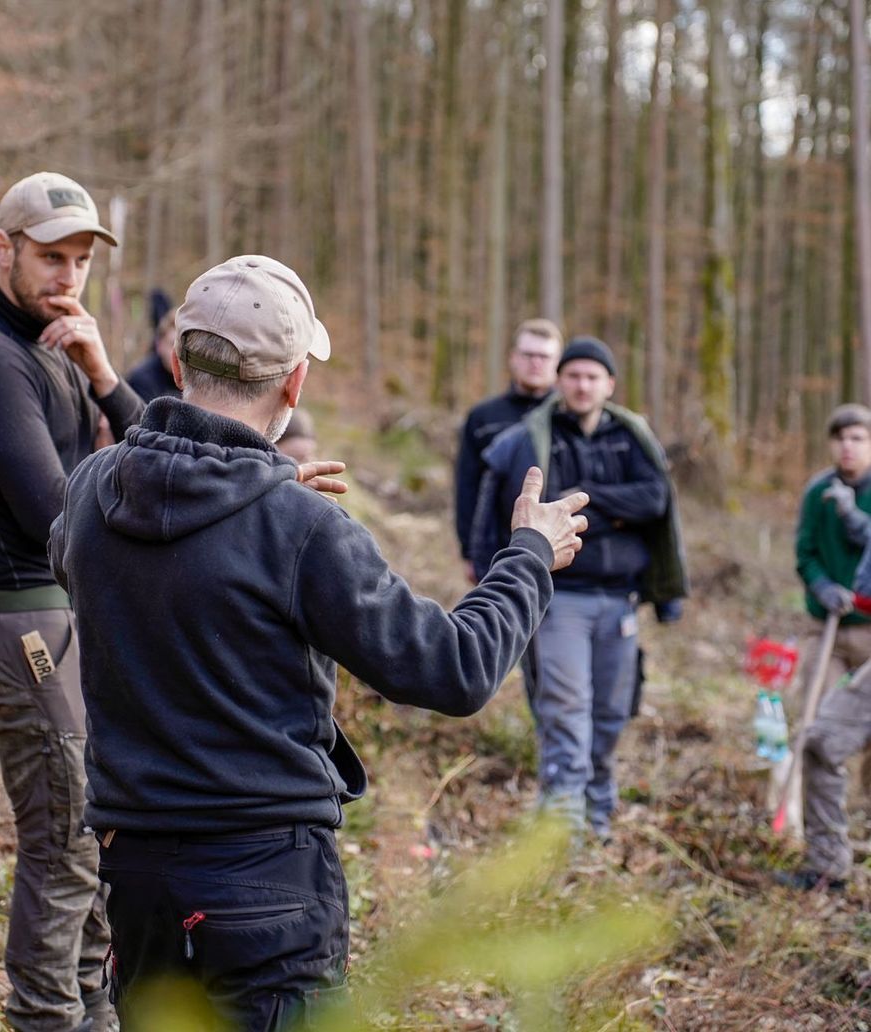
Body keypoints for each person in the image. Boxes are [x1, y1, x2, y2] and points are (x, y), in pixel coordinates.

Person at [48, 254, 589, 1030]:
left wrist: (256, 508)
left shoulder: (95, 487)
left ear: (178, 358)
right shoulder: (301, 531)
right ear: (295, 383)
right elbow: (455, 669)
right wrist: (528, 556)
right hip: (264, 890)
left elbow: (73, 556)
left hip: (135, 884)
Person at [0, 171, 145, 1032]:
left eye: (81, 260)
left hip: (58, 617)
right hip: (17, 619)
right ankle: (44, 1020)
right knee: (64, 846)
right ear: (4, 249)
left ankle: (95, 1015)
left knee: (94, 842)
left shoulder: (60, 346)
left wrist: (102, 374)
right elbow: (58, 513)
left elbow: (155, 447)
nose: (66, 276)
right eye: (50, 256)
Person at [470, 336, 687, 842]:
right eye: (573, 375)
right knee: (565, 709)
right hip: (560, 598)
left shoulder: (631, 437)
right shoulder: (537, 439)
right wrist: (616, 512)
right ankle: (560, 827)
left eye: (593, 376)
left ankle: (598, 814)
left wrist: (594, 500)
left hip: (620, 601)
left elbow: (654, 498)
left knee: (611, 712)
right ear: (560, 382)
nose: (583, 384)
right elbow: (539, 506)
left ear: (609, 384)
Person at [777, 403, 871, 891]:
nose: (848, 447)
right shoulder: (818, 491)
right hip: (830, 627)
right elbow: (805, 551)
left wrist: (854, 516)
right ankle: (823, 851)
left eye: (858, 438)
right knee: (818, 729)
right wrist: (821, 587)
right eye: (841, 439)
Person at [455, 319, 562, 582]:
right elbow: (467, 484)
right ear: (513, 358)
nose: (536, 362)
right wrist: (469, 551)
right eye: (528, 355)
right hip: (499, 550)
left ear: (558, 362)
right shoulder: (483, 417)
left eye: (544, 356)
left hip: (560, 549)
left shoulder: (568, 417)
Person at [126, 308, 177, 402]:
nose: (177, 353)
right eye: (172, 344)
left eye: (182, 347)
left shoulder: (193, 379)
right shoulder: (140, 379)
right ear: (159, 345)